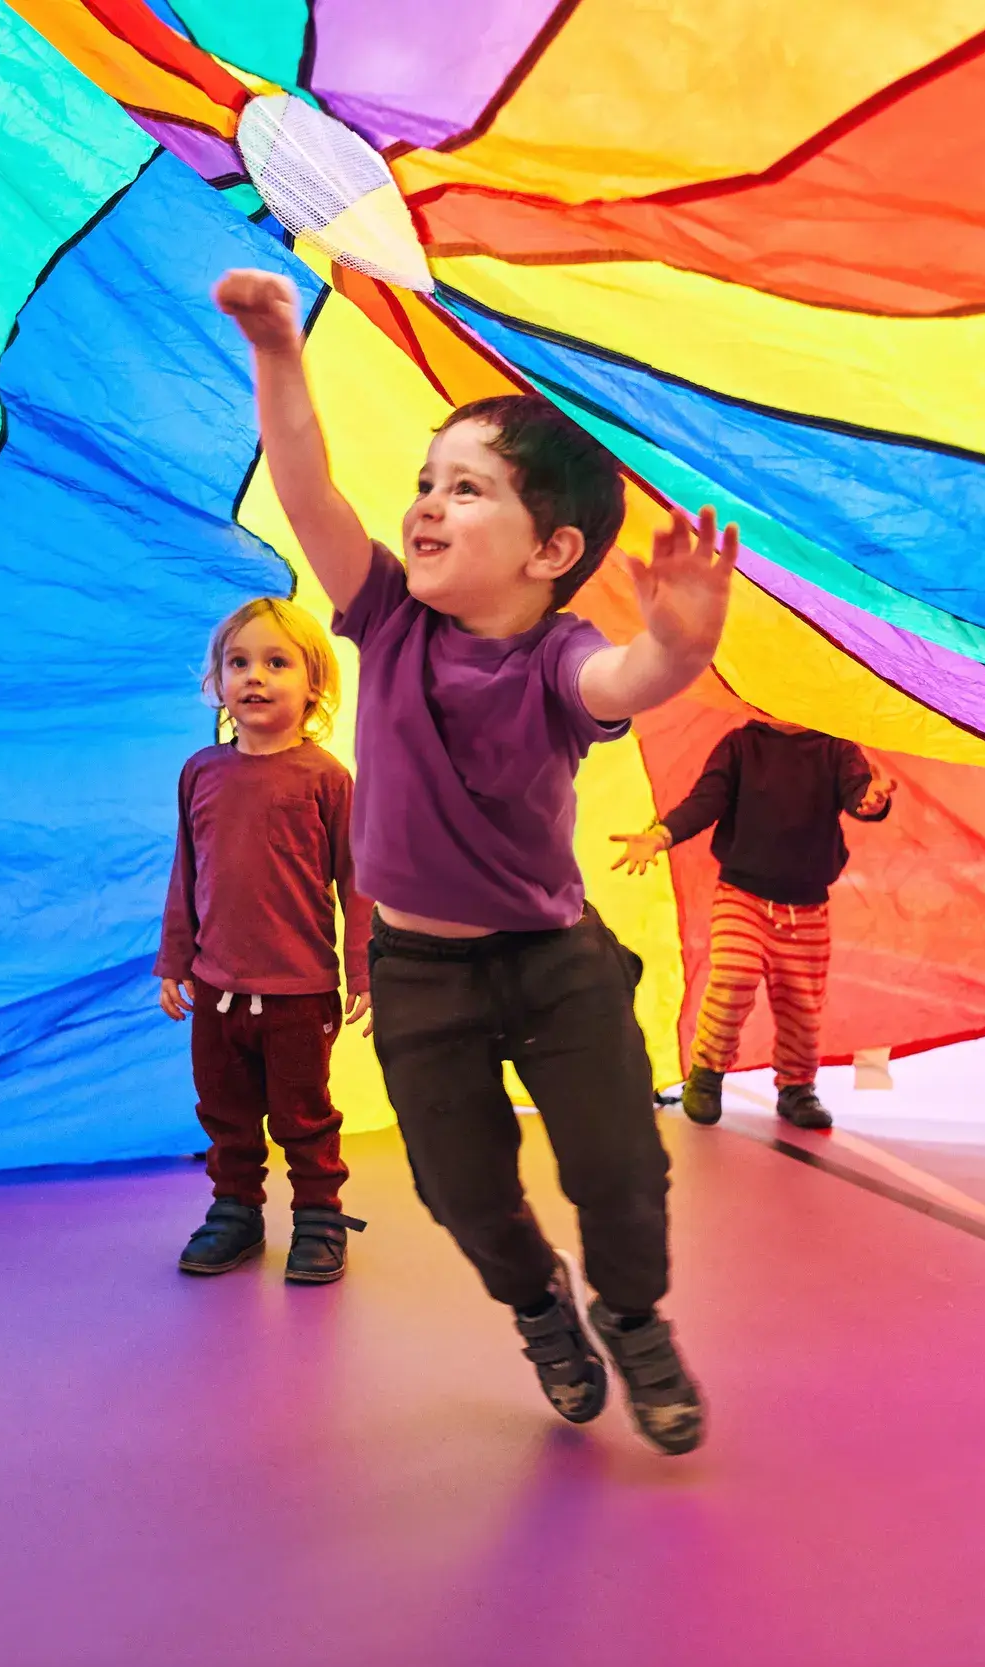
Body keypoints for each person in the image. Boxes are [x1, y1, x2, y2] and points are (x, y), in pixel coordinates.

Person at [213, 267, 735, 1456]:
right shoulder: (388, 618)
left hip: (553, 964)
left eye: (468, 489)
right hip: (421, 974)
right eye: (426, 482)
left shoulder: (559, 656)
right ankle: (543, 1309)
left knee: (621, 1168)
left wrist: (682, 643)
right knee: (460, 1185)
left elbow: (624, 683)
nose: (427, 506)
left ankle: (631, 1315)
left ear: (550, 549)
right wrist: (279, 354)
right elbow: (307, 489)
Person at [157, 596, 373, 1284]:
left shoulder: (327, 779)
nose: (255, 676)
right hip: (217, 991)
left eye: (276, 662)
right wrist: (175, 961)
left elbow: (358, 884)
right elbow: (185, 873)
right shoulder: (201, 772)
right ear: (217, 682)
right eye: (238, 662)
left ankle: (317, 1217)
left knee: (304, 1116)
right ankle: (235, 1213)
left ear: (313, 685)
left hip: (299, 995)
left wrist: (367, 974)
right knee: (225, 1112)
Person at [613, 718, 894, 1130]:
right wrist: (662, 834)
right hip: (742, 894)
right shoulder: (742, 745)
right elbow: (706, 800)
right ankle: (706, 1075)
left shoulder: (836, 748)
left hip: (806, 905)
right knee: (733, 976)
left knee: (802, 1004)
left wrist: (872, 801)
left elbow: (859, 797)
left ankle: (797, 1087)